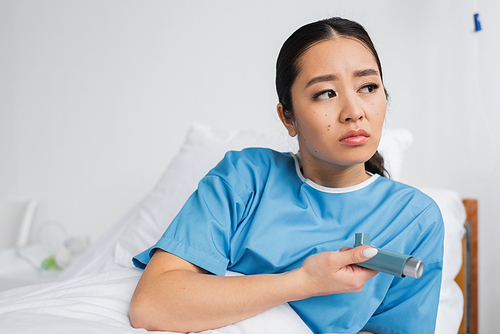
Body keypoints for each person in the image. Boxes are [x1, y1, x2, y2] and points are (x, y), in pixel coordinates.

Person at [129, 17, 444, 334]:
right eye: (325, 93)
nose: (354, 111)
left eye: (368, 87)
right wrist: (303, 282)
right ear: (288, 118)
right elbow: (151, 306)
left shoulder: (415, 218)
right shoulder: (245, 177)